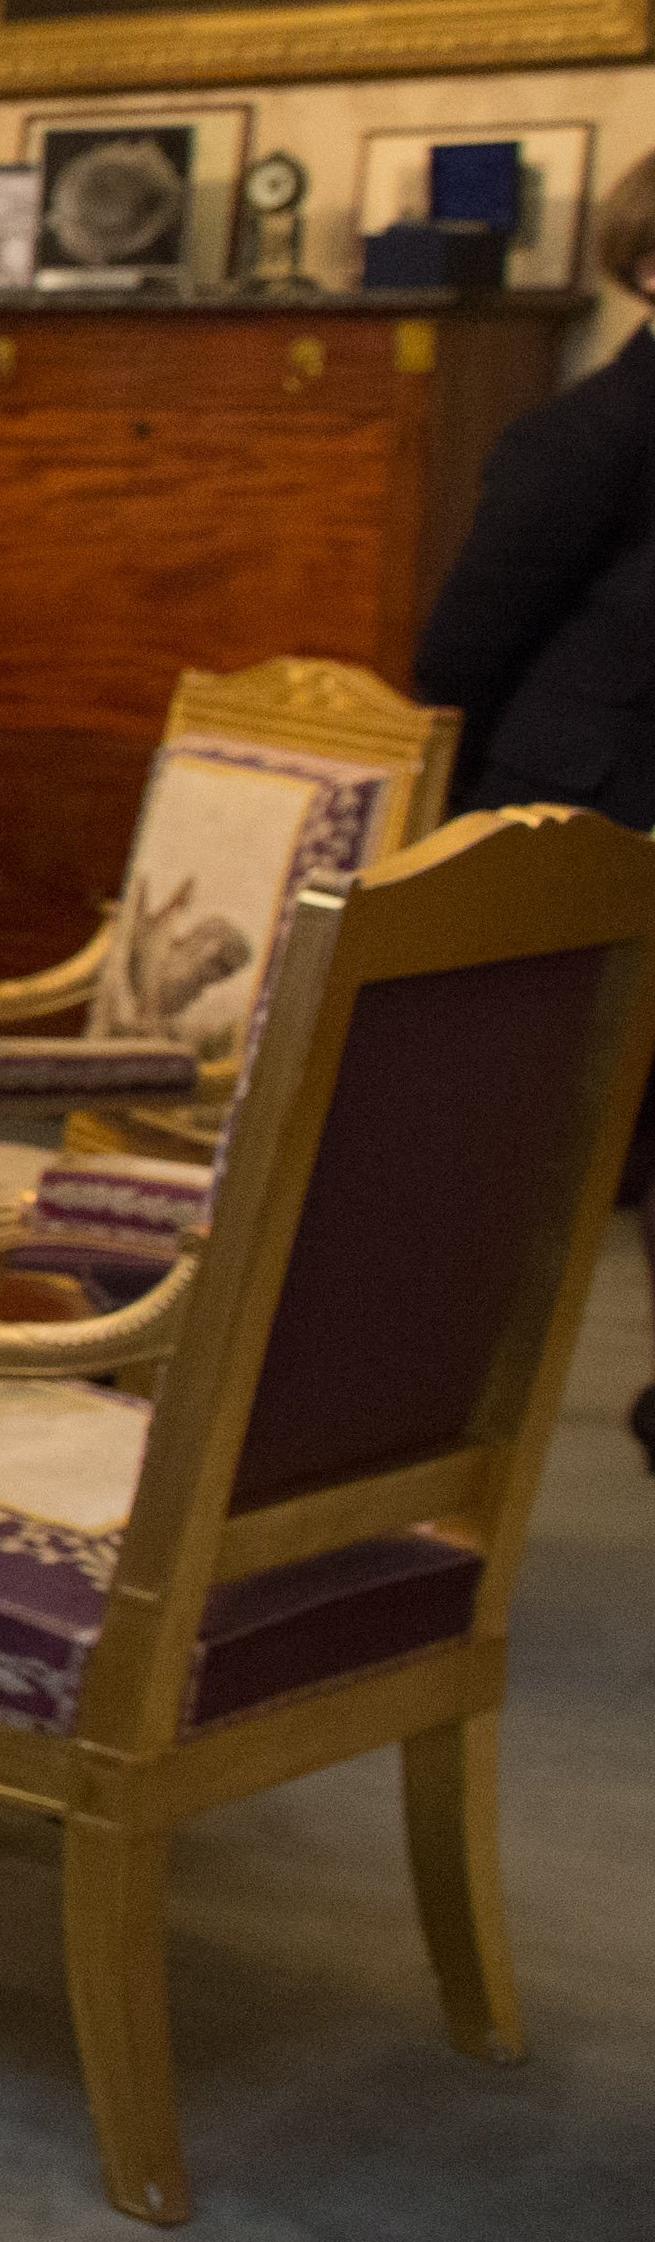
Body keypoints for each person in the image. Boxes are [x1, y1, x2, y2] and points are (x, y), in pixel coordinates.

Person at [411, 148, 655, 1474]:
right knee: (506, 1145)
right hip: (572, 820)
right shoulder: (586, 434)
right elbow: (461, 650)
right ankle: (415, 1419)